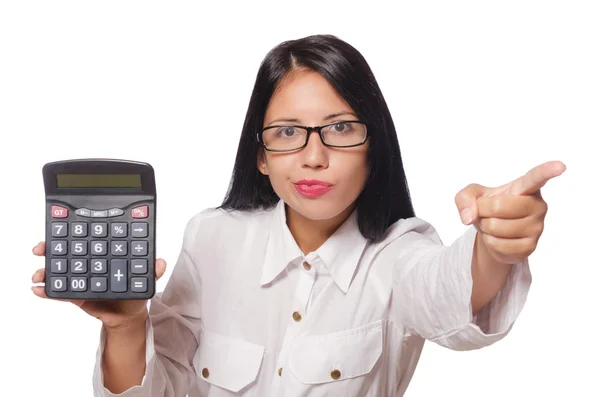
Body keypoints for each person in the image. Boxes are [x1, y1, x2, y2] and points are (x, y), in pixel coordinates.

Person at [31, 34, 566, 397]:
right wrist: (127, 325)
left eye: (339, 128)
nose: (313, 155)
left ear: (373, 147)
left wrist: (494, 248)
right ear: (260, 156)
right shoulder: (211, 237)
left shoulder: (401, 250)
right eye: (287, 132)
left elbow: (448, 289)